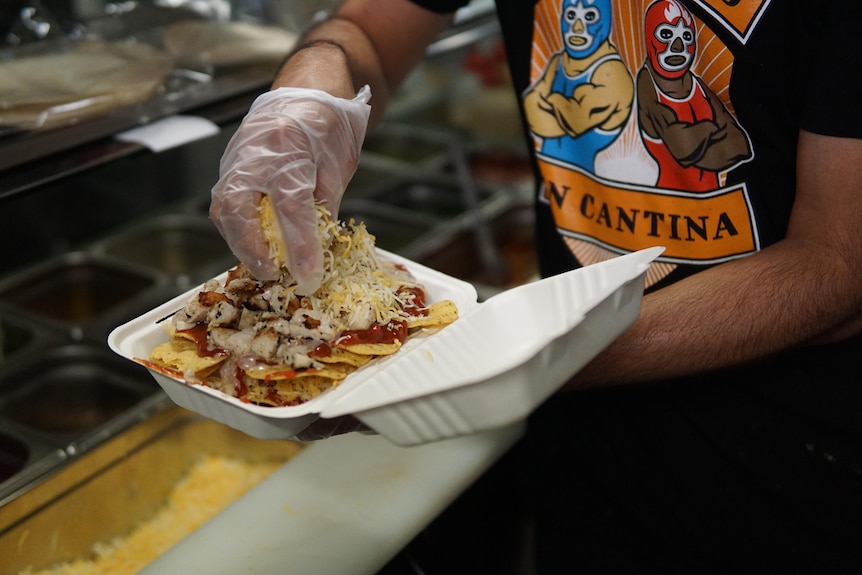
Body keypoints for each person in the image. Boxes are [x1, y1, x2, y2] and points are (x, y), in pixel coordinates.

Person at [209, 0, 862, 572]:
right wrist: (311, 86)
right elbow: (367, 31)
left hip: (789, 468)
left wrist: (517, 358)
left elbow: (837, 263)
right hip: (582, 457)